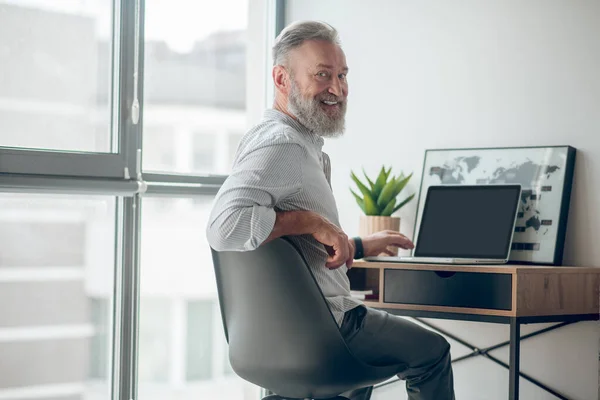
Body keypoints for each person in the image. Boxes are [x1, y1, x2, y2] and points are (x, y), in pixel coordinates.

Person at [206, 20, 455, 400]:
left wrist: (356, 243)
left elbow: (292, 251)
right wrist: (311, 221)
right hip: (327, 328)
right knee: (432, 352)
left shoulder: (283, 141)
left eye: (342, 75)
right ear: (282, 78)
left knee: (353, 376)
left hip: (283, 336)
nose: (337, 89)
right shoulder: (283, 145)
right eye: (322, 75)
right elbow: (224, 227)